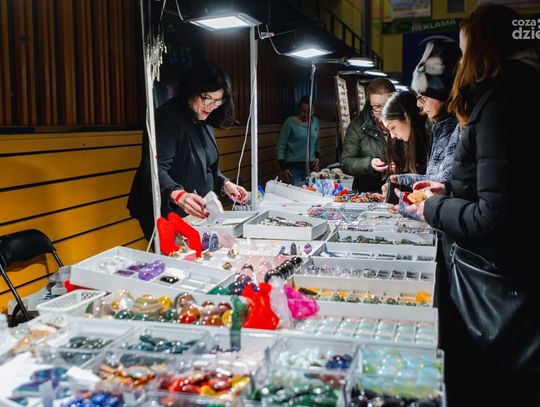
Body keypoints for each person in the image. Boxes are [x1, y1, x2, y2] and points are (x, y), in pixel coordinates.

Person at [409, 4, 540, 405]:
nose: (461, 62)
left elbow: (496, 215)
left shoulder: (499, 102)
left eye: (465, 52)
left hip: (495, 283)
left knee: (486, 386)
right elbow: (506, 186)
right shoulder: (516, 93)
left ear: (483, 50)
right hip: (508, 273)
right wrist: (448, 189)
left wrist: (433, 208)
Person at [127, 61, 249, 240]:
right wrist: (179, 195)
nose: (211, 106)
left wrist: (224, 184)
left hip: (194, 215)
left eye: (217, 101)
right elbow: (152, 168)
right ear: (192, 90)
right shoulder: (167, 118)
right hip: (165, 212)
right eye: (208, 99)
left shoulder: (203, 116)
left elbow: (206, 164)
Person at [386, 39, 462, 191]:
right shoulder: (439, 125)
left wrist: (402, 182)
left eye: (423, 97)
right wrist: (400, 182)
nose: (418, 104)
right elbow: (434, 177)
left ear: (442, 94)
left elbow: (446, 181)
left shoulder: (458, 127)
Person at [340, 78, 395, 193]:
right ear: (370, 104)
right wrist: (369, 164)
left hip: (400, 190)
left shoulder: (405, 122)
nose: (382, 111)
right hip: (368, 192)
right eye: (376, 106)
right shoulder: (358, 126)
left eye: (386, 105)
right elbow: (346, 162)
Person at [380, 91, 429, 181]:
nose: (392, 135)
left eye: (393, 127)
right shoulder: (397, 143)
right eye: (389, 130)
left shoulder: (430, 137)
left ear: (407, 117)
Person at [277, 95, 320, 186]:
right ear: (299, 110)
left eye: (309, 112)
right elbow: (281, 145)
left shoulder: (316, 122)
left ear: (313, 111)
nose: (305, 114)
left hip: (311, 167)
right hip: (293, 168)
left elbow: (316, 142)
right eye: (303, 111)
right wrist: (283, 167)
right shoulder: (290, 122)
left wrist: (317, 157)